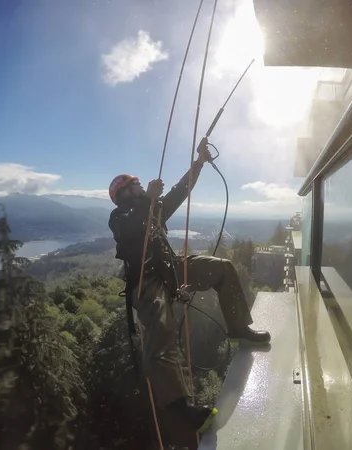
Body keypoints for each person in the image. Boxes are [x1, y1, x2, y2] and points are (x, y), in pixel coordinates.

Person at [107, 144, 270, 441]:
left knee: (221, 268)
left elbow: (181, 191)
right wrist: (150, 201)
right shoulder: (119, 217)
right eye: (135, 186)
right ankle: (181, 411)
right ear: (122, 195)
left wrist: (200, 162)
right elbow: (130, 230)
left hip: (170, 271)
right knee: (161, 335)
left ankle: (238, 327)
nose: (141, 187)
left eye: (140, 185)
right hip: (145, 280)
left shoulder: (153, 209)